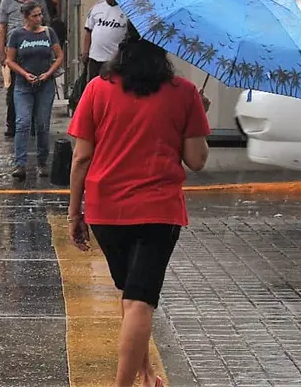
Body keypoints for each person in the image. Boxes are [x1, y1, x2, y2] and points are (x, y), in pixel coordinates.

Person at [67, 25, 211, 387]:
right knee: (140, 302)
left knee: (131, 294)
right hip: (158, 212)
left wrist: (74, 213)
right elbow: (197, 160)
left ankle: (145, 374)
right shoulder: (185, 93)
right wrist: (193, 120)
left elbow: (81, 158)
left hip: (105, 210)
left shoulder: (97, 89)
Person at [5, 1, 63, 180]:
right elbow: (10, 60)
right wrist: (24, 74)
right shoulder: (17, 35)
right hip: (23, 86)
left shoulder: (48, 32)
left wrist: (48, 74)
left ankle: (42, 161)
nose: (39, 18)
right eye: (35, 15)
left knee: (42, 125)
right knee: (22, 123)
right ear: (26, 17)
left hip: (44, 84)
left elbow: (60, 56)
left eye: (40, 15)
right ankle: (20, 164)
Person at [0, 0, 51, 138]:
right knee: (15, 89)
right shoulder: (7, 1)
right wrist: (2, 52)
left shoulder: (39, 1)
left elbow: (47, 24)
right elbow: (2, 27)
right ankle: (13, 124)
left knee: (37, 86)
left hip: (36, 51)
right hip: (15, 53)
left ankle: (34, 124)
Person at [83, 0, 129, 82]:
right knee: (94, 85)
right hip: (95, 57)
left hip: (115, 59)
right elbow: (88, 30)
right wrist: (85, 51)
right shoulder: (98, 6)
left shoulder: (126, 9)